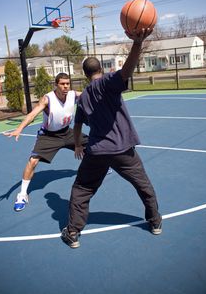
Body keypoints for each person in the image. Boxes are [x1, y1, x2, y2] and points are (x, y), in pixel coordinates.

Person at [61, 29, 162, 248]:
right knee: (143, 185)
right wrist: (137, 43)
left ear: (85, 73)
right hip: (122, 150)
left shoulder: (84, 96)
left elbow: (76, 124)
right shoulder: (107, 82)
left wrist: (78, 144)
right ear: (101, 69)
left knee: (82, 189)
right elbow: (127, 69)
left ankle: (73, 231)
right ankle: (154, 221)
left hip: (96, 152)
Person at [4, 73, 89, 211]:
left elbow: (89, 93)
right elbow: (32, 115)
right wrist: (19, 128)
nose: (65, 86)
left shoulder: (73, 94)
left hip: (67, 132)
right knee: (33, 161)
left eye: (67, 83)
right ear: (56, 84)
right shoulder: (47, 99)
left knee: (92, 144)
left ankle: (99, 164)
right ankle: (22, 194)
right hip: (49, 136)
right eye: (62, 84)